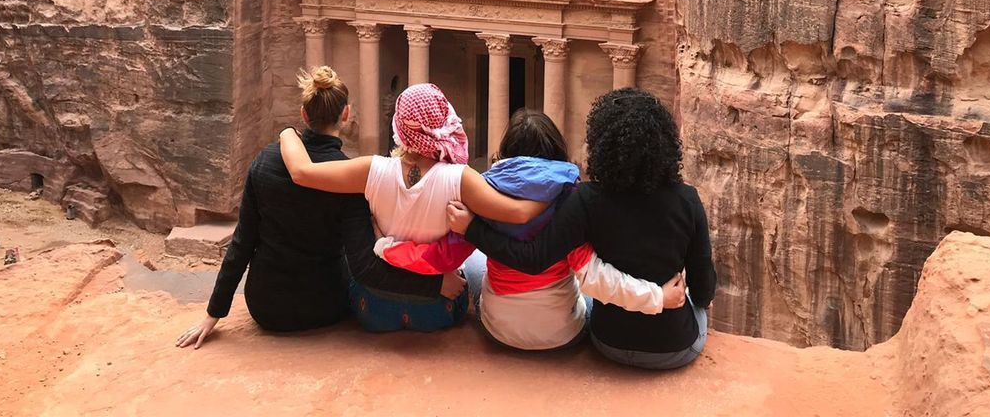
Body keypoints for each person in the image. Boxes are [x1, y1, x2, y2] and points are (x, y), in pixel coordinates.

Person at [176, 67, 463, 349]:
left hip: (265, 307)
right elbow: (364, 268)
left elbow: (242, 243)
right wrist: (433, 285)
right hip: (325, 304)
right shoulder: (347, 177)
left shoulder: (264, 161)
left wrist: (212, 314)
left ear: (304, 114)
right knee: (365, 247)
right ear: (346, 114)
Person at [372, 109, 687, 350]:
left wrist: (386, 246)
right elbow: (594, 276)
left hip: (499, 330)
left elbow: (442, 256)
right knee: (584, 293)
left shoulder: (484, 192)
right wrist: (656, 296)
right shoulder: (570, 200)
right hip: (563, 333)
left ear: (506, 150)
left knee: (474, 262)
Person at [449, 88, 717, 369]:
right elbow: (703, 288)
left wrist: (473, 229)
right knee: (688, 296)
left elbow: (536, 257)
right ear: (666, 145)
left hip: (608, 341)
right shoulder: (688, 200)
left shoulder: (587, 199)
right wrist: (672, 297)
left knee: (481, 265)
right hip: (674, 347)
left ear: (602, 143)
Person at [277, 83, 546, 332]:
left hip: (372, 308)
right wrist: (563, 182)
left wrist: (287, 132)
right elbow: (519, 213)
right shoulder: (460, 179)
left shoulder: (371, 169)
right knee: (476, 261)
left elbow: (302, 172)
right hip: (439, 308)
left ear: (398, 127)